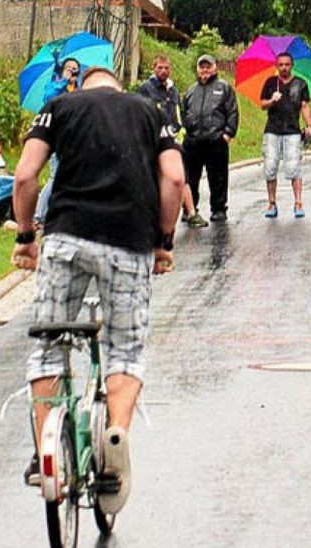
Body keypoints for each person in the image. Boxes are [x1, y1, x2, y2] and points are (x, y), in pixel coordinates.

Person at [11, 66, 186, 513]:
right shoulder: (150, 111)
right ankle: (115, 441)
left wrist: (26, 238)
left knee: (48, 347)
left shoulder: (60, 108)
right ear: (118, 89)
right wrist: (163, 243)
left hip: (67, 238)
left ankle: (45, 454)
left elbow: (25, 177)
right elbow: (174, 179)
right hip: (128, 243)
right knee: (124, 350)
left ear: (81, 87)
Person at [139, 55, 204, 227]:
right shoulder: (146, 89)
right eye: (160, 68)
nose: (163, 71)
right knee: (157, 177)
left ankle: (191, 212)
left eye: (166, 68)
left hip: (174, 139)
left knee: (181, 176)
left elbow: (179, 111)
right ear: (154, 68)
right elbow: (141, 113)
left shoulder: (173, 89)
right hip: (155, 140)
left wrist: (183, 127)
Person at [181, 54, 239, 223]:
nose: (205, 70)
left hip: (216, 141)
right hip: (193, 142)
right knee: (191, 177)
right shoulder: (191, 91)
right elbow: (184, 112)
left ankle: (219, 208)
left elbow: (233, 112)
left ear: (215, 68)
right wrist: (187, 130)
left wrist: (227, 134)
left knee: (218, 177)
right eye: (202, 67)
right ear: (197, 69)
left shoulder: (224, 88)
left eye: (208, 66)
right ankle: (190, 209)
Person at [259, 51, 311, 218]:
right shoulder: (270, 83)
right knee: (270, 167)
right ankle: (272, 203)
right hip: (272, 130)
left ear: (292, 66)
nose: (284, 68)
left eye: (287, 64)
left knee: (294, 167)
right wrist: (272, 100)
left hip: (292, 131)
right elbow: (262, 104)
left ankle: (298, 203)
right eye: (281, 65)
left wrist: (309, 126)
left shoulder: (300, 84)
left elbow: (304, 106)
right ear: (277, 66)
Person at [33, 57, 82, 227]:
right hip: (55, 137)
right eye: (69, 68)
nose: (72, 71)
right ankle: (39, 216)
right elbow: (49, 99)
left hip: (72, 139)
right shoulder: (55, 84)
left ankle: (58, 215)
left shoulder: (78, 90)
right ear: (62, 69)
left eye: (75, 69)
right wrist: (64, 80)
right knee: (55, 175)